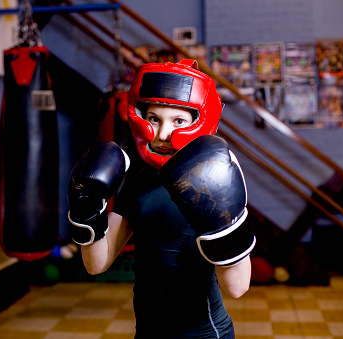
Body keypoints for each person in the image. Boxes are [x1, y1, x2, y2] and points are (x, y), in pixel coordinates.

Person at [68, 59, 255, 338]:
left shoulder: (214, 177)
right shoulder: (139, 179)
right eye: (154, 118)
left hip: (204, 334)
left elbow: (237, 288)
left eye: (179, 120)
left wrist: (223, 226)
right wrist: (86, 207)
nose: (163, 134)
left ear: (199, 121)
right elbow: (98, 264)